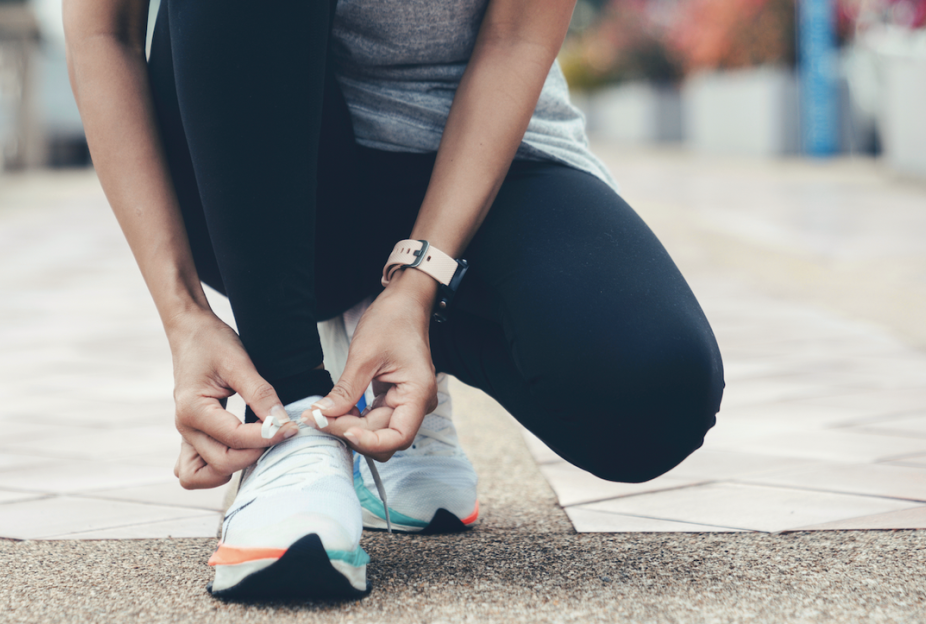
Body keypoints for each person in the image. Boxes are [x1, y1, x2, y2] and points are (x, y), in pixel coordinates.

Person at [64, 0, 724, 600]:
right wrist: (184, 316)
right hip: (268, 156)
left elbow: (518, 35)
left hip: (475, 149)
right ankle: (293, 418)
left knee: (653, 392)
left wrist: (416, 287)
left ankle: (383, 353)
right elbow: (101, 31)